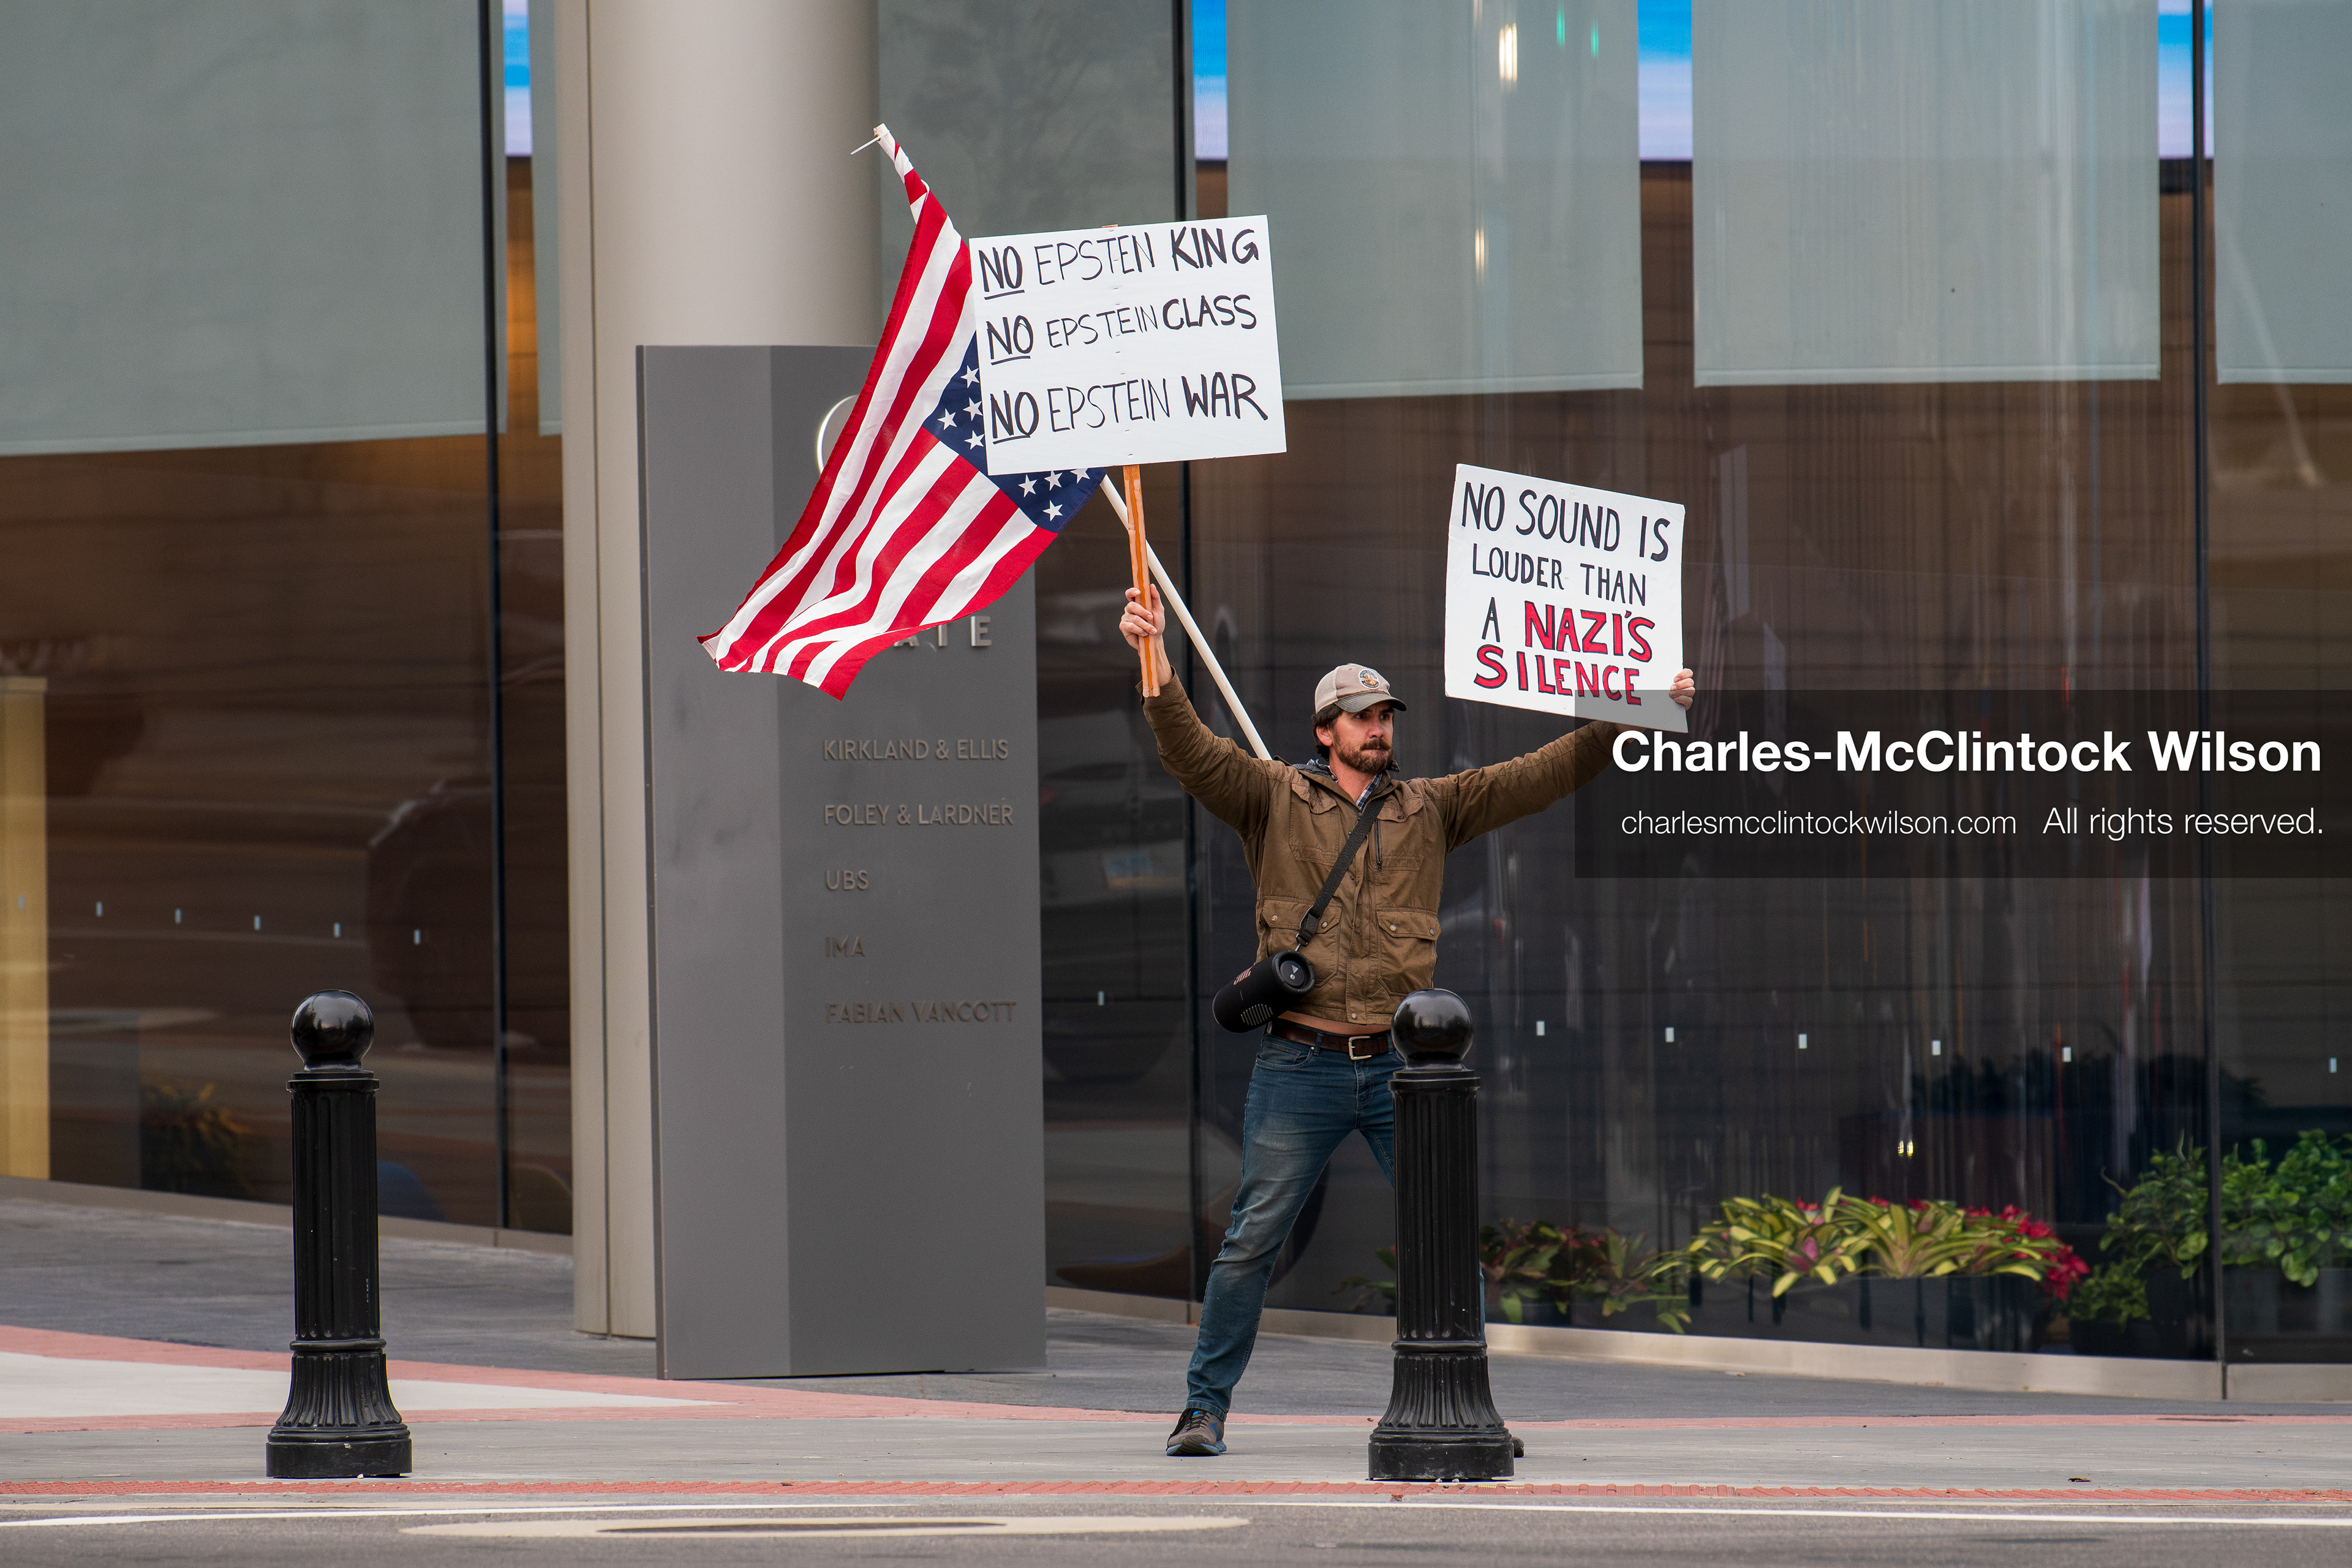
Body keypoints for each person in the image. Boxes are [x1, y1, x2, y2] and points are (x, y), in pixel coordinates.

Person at [1118, 584, 1695, 1458]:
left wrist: (1643, 707)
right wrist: (1153, 658)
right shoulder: (1271, 797)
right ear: (1325, 731)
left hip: (1400, 1071)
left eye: (1384, 715)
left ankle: (1471, 1408)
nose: (1377, 728)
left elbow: (1542, 773)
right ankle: (1204, 1408)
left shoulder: (1432, 806)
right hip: (1300, 1065)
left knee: (1446, 1245)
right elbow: (1191, 751)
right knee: (1249, 1245)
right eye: (1359, 718)